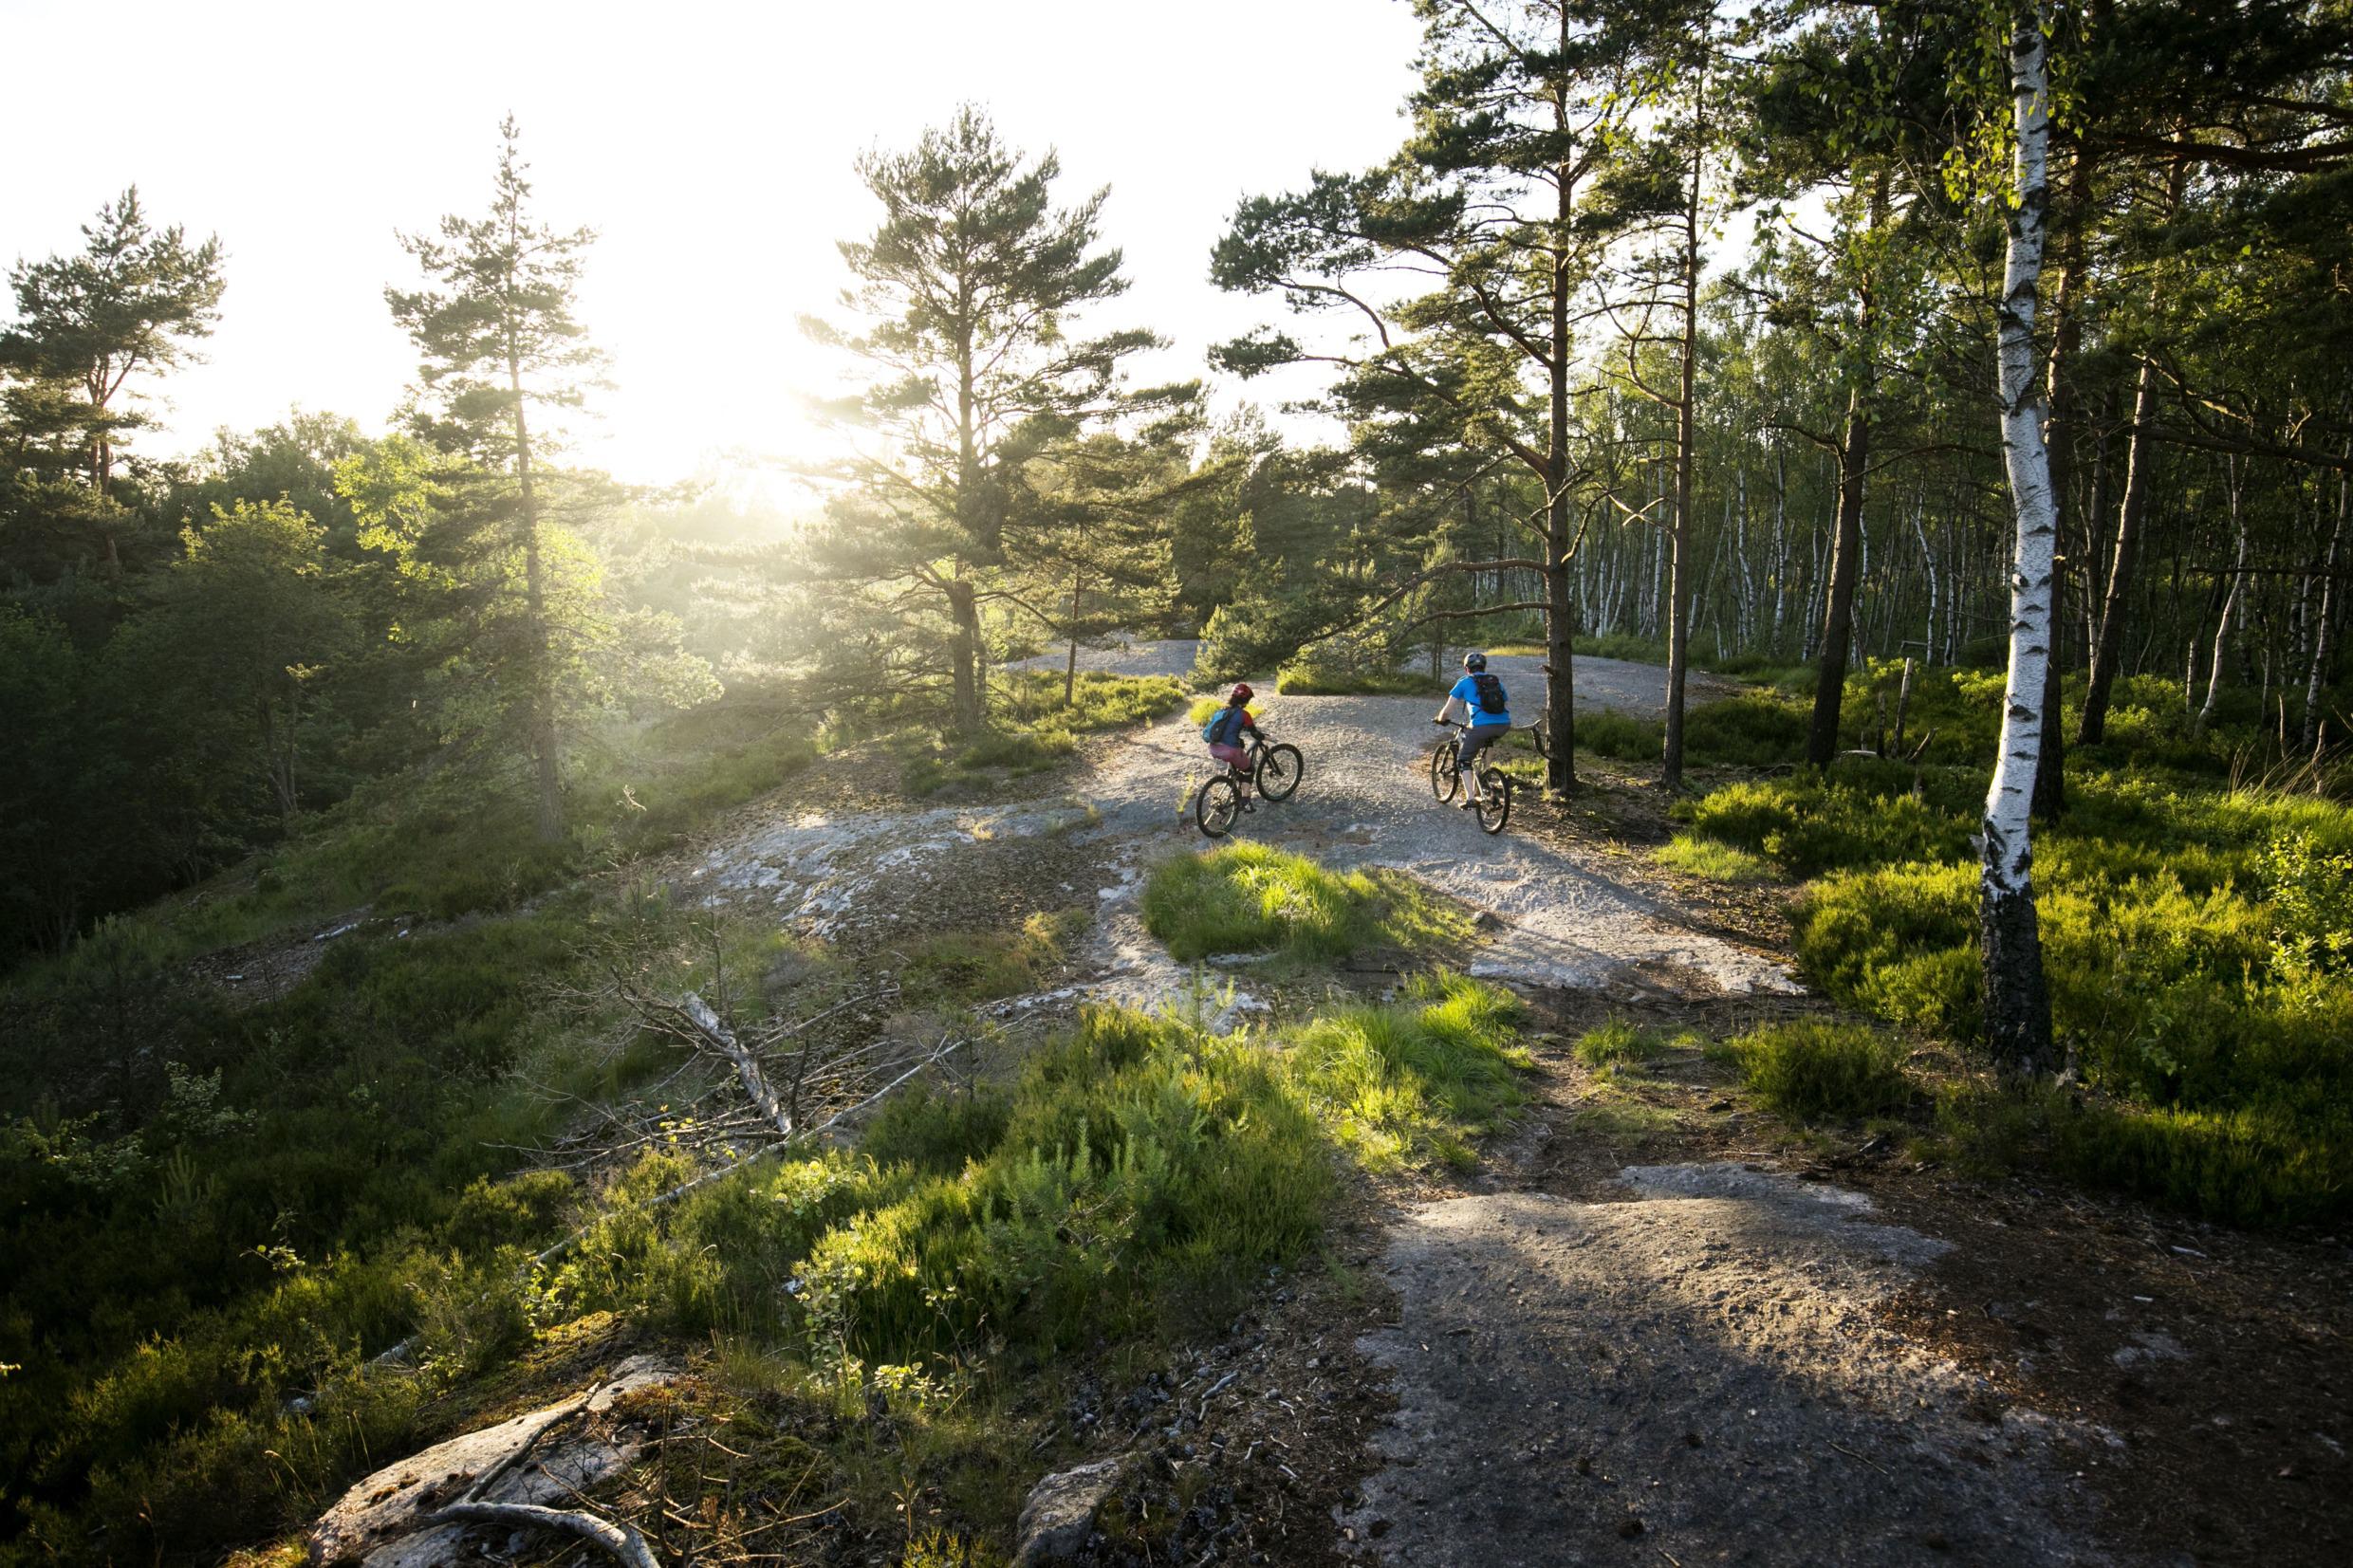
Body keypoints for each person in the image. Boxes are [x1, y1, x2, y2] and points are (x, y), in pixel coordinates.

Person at [1435, 652, 1510, 808]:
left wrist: (1440, 719)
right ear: (1484, 667)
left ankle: (1470, 798)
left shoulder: (1464, 682)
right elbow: (1504, 704)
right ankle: (1487, 778)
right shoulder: (1495, 681)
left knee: (1463, 760)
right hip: (1504, 725)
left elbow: (1447, 710)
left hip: (1481, 727)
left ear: (1466, 668)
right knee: (1486, 739)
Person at [1202, 683, 1263, 786]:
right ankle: (1245, 801)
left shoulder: (1221, 711)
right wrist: (1266, 737)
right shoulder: (1244, 714)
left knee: (1236, 747)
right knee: (1249, 771)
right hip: (1229, 751)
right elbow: (1255, 734)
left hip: (1213, 748)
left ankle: (1231, 778)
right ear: (1246, 700)